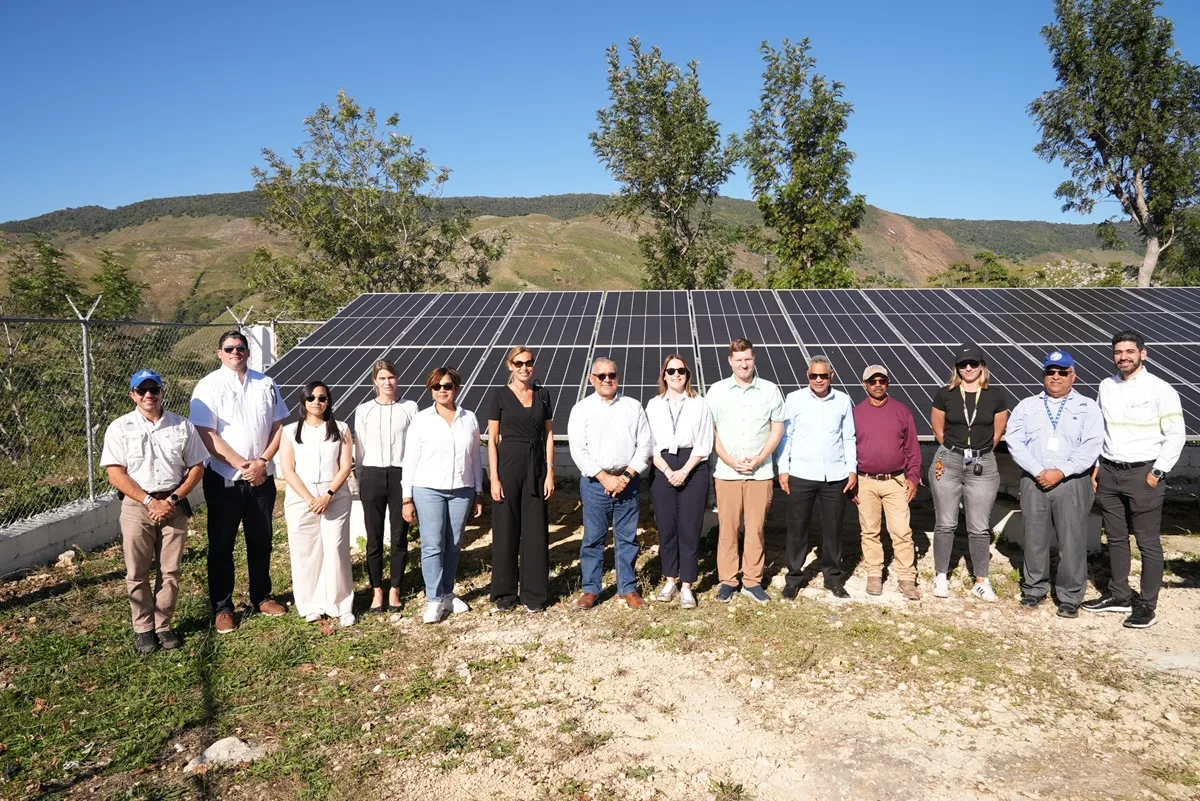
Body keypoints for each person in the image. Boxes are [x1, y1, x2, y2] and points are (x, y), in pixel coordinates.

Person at [189, 330, 290, 634]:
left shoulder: (266, 383)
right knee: (221, 546)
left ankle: (263, 597)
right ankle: (223, 608)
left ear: (248, 352)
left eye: (241, 347)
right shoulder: (207, 386)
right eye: (229, 348)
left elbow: (278, 425)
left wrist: (262, 463)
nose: (236, 352)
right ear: (219, 353)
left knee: (261, 542)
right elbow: (206, 434)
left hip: (262, 478)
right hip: (223, 480)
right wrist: (240, 464)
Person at [101, 369, 208, 654]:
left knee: (170, 570)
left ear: (162, 391)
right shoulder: (119, 428)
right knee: (137, 571)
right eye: (142, 390)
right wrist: (149, 501)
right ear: (132, 395)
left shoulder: (182, 426)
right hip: (137, 507)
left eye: (154, 389)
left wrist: (172, 499)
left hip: (173, 504)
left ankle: (163, 625)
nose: (149, 395)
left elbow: (197, 467)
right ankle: (143, 629)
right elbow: (116, 473)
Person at [1083, 330, 1185, 629]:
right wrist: (1096, 465)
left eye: (1129, 351)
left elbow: (1176, 435)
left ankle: (1146, 605)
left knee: (1147, 542)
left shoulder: (1160, 389)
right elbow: (1100, 429)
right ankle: (1119, 595)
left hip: (1144, 474)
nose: (1123, 357)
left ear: (1144, 353)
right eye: (1118, 352)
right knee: (1115, 538)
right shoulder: (1106, 386)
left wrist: (1157, 472)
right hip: (1110, 473)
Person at [1005, 351, 1104, 618]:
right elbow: (1014, 442)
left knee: (1072, 541)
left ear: (1073, 375)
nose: (1056, 377)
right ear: (1044, 375)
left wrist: (1061, 471)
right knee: (1034, 539)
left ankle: (1070, 596)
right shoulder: (1026, 406)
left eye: (1062, 372)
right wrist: (1039, 471)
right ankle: (1034, 589)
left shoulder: (1087, 407)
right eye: (1051, 372)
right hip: (1034, 481)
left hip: (1072, 482)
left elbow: (1092, 444)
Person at [567, 357, 652, 610]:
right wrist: (604, 477)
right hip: (595, 484)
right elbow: (578, 449)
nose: (607, 380)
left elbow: (645, 444)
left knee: (627, 538)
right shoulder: (581, 409)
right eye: (601, 376)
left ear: (618, 376)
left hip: (629, 482)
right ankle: (591, 590)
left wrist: (625, 477)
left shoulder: (633, 406)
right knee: (593, 538)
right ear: (592, 379)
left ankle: (628, 588)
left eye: (611, 375)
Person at [706, 339, 786, 604]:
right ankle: (728, 579)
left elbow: (777, 428)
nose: (744, 364)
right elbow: (712, 431)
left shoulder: (770, 390)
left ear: (754, 359)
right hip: (727, 473)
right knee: (728, 529)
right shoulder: (716, 392)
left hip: (760, 473)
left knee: (756, 529)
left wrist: (762, 458)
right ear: (730, 361)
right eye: (738, 360)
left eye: (748, 359)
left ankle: (752, 580)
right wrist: (728, 460)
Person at [402, 367, 483, 624]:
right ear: (431, 390)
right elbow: (410, 460)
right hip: (428, 490)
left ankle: (448, 592)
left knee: (454, 543)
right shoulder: (422, 419)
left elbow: (474, 457)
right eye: (437, 387)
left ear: (456, 388)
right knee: (432, 545)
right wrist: (407, 498)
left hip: (462, 489)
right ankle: (434, 600)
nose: (442, 391)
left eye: (447, 385)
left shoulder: (469, 418)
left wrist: (478, 491)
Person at [929, 343, 1010, 602]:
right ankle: (941, 575)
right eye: (963, 365)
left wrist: (979, 451)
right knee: (946, 522)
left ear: (982, 366)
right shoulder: (946, 395)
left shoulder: (996, 397)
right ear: (956, 368)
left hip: (982, 465)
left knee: (978, 526)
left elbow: (998, 433)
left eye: (973, 364)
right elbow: (938, 430)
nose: (968, 368)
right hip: (948, 461)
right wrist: (954, 451)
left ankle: (981, 581)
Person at [776, 356, 857, 599]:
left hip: (835, 476)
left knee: (833, 529)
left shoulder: (842, 401)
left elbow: (848, 437)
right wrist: (783, 469)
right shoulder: (794, 399)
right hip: (801, 474)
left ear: (832, 375)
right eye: (814, 375)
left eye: (823, 375)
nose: (819, 380)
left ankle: (832, 577)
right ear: (807, 376)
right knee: (797, 529)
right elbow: (786, 437)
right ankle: (794, 577)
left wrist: (851, 469)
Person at [279, 382, 356, 627]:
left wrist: (328, 495)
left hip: (335, 495)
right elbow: (287, 470)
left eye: (322, 398)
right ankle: (309, 604)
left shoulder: (341, 429)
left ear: (328, 401)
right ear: (303, 401)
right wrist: (309, 499)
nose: (316, 402)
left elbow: (345, 466)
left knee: (336, 549)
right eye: (311, 397)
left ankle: (341, 604)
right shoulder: (290, 431)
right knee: (305, 552)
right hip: (301, 498)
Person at [485, 346, 555, 613]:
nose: (525, 367)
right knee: (506, 529)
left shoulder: (543, 394)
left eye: (529, 362)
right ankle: (505, 592)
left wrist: (549, 471)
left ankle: (534, 594)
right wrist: (494, 477)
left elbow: (549, 434)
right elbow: (492, 439)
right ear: (509, 366)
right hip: (508, 465)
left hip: (537, 466)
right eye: (519, 363)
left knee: (536, 530)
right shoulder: (499, 395)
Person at [645, 354, 713, 609]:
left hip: (692, 466)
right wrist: (665, 469)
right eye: (671, 370)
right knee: (666, 526)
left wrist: (684, 471)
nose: (676, 375)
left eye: (681, 371)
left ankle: (687, 585)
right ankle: (670, 578)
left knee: (690, 527)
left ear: (687, 374)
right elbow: (648, 443)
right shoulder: (653, 405)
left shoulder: (699, 404)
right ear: (664, 375)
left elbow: (704, 443)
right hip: (662, 465)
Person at [851, 364, 923, 601]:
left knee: (902, 531)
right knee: (869, 531)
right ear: (865, 385)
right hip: (865, 481)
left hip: (895, 481)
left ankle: (906, 577)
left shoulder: (902, 411)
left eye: (882, 380)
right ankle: (874, 573)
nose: (878, 384)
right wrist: (850, 481)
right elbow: (848, 449)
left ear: (888, 383)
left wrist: (913, 477)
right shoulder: (856, 413)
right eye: (873, 381)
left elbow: (912, 448)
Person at [354, 360, 419, 613]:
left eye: (391, 377)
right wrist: (361, 479)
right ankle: (376, 591)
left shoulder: (410, 408)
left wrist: (410, 486)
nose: (387, 382)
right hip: (371, 474)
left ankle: (395, 589)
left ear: (397, 378)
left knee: (399, 536)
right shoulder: (364, 410)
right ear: (374, 381)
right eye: (382, 378)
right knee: (373, 538)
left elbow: (415, 447)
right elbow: (360, 449)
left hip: (401, 475)